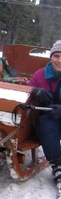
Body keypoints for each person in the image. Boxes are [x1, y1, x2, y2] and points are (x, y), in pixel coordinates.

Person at [29, 40, 61, 184]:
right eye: (57, 56)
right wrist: (35, 91)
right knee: (45, 124)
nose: (59, 61)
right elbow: (25, 93)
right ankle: (57, 164)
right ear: (51, 57)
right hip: (49, 119)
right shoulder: (40, 75)